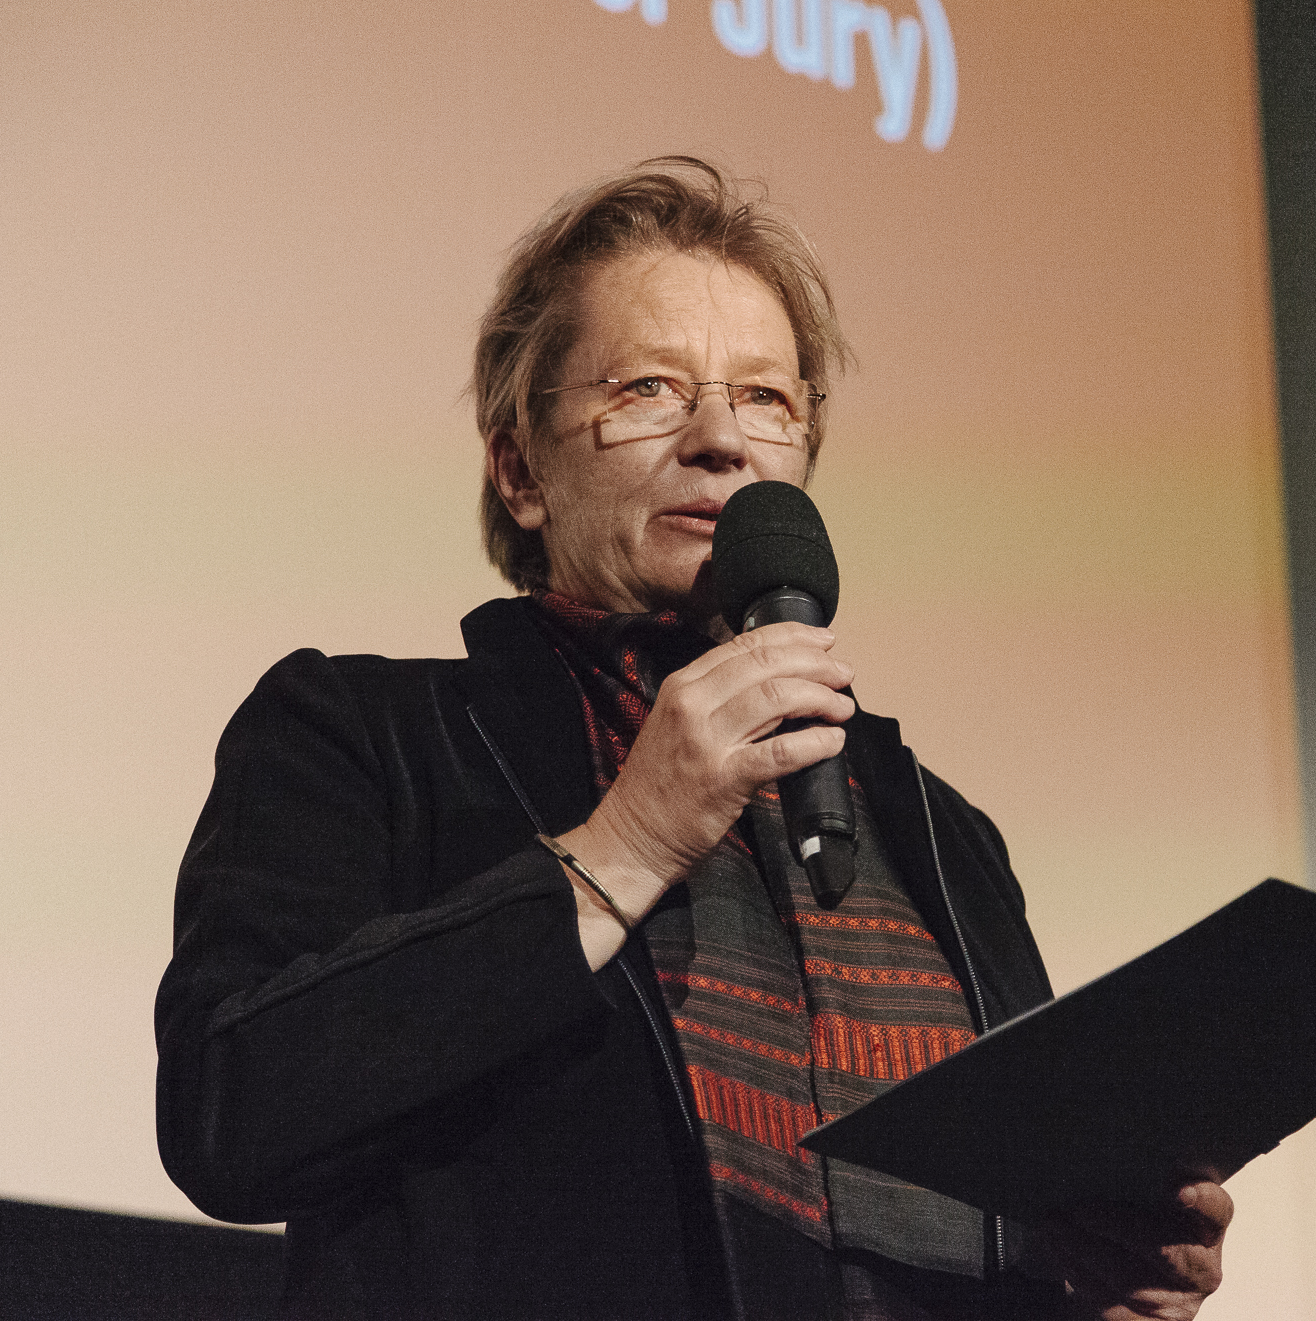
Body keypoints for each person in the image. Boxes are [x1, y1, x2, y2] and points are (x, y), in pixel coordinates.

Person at [156, 157, 1232, 1320]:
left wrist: (1095, 1285)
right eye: (649, 388)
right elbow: (230, 1116)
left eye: (765, 398)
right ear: (519, 470)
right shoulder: (367, 736)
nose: (721, 440)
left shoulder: (940, 831)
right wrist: (624, 844)